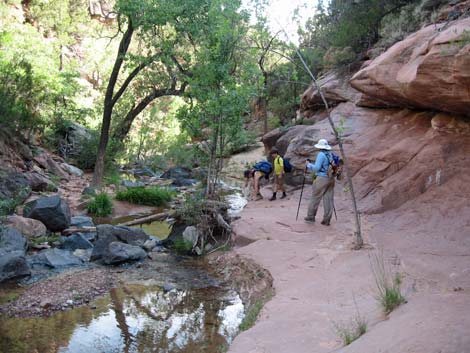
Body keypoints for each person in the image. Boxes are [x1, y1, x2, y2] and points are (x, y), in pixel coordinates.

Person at [304, 138, 335, 226]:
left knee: (315, 197)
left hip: (322, 178)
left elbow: (316, 168)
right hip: (331, 178)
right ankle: (326, 220)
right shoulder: (330, 154)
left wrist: (308, 165)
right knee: (328, 199)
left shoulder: (321, 154)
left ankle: (310, 216)